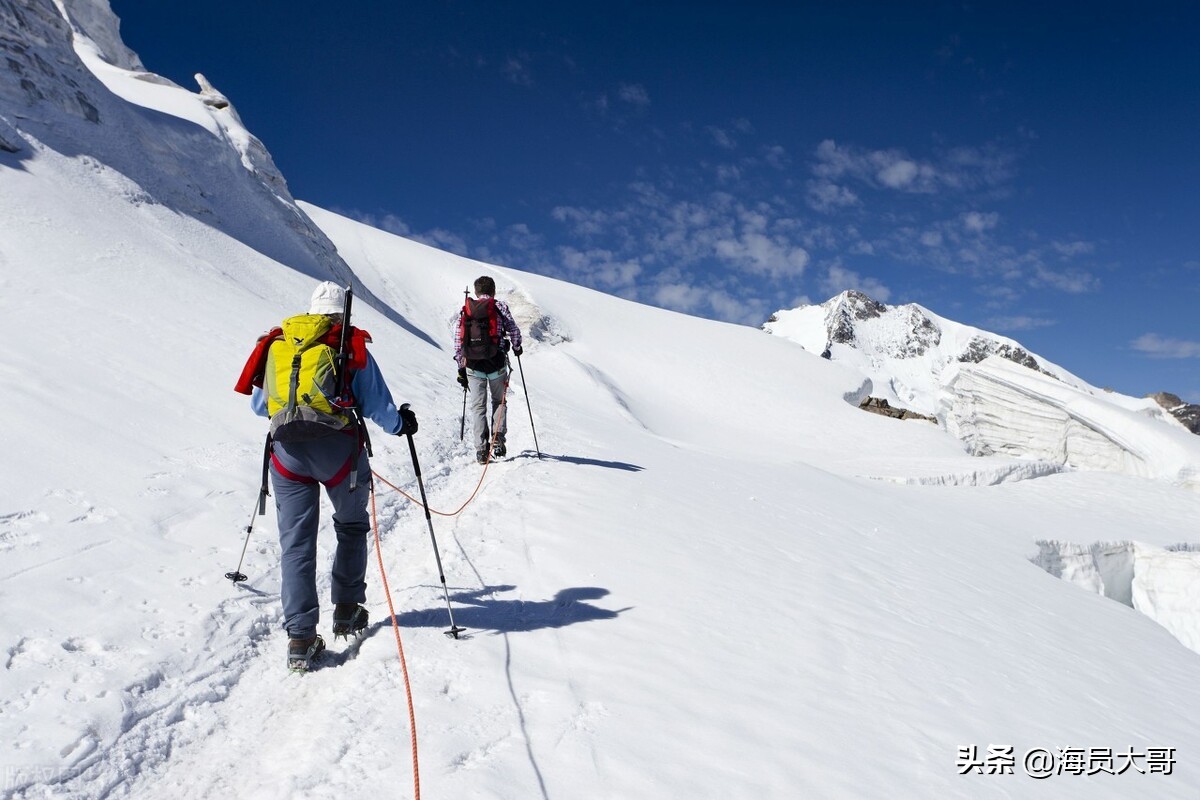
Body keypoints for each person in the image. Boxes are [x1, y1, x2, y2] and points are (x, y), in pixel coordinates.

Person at [234, 281, 417, 671]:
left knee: (296, 543)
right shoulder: (346, 344)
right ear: (340, 313)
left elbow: (259, 406)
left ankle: (300, 638)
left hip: (286, 455)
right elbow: (378, 406)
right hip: (338, 453)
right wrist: (403, 425)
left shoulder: (278, 345)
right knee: (350, 525)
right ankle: (347, 609)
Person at [454, 275, 523, 463]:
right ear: (493, 291)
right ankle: (498, 439)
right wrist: (517, 347)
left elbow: (458, 340)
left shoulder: (466, 310)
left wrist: (461, 368)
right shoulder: (499, 307)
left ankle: (481, 450)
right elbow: (514, 331)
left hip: (473, 366)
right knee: (498, 401)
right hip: (496, 364)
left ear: (476, 292)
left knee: (478, 407)